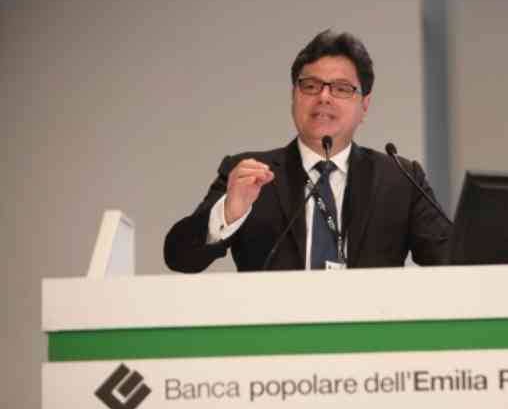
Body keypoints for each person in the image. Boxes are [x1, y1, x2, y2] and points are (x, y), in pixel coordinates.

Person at [164, 29, 451, 272]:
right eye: (310, 86)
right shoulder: (249, 174)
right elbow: (180, 258)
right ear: (294, 96)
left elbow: (453, 262)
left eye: (341, 88)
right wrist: (228, 212)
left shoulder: (400, 178)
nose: (323, 97)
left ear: (364, 105)